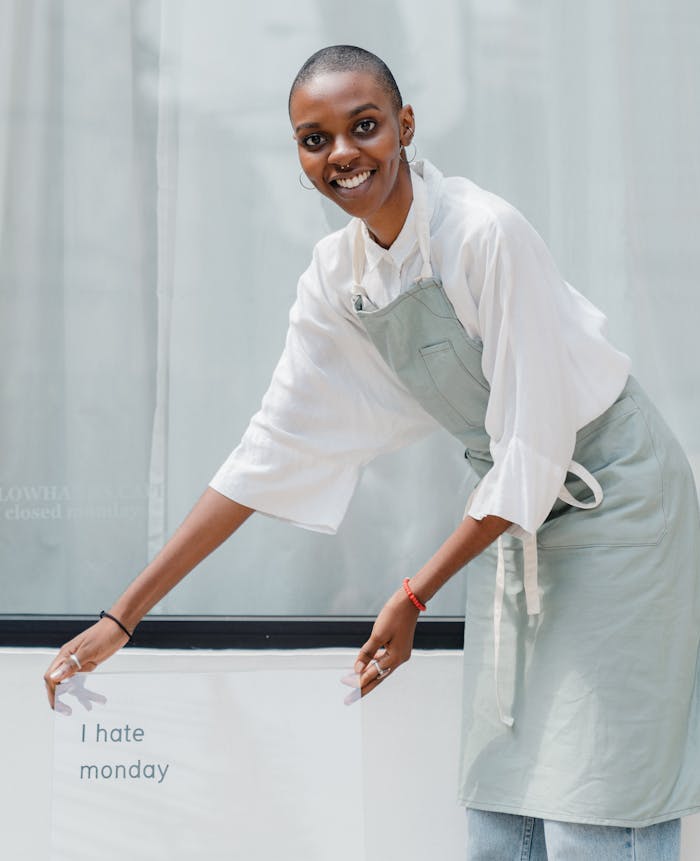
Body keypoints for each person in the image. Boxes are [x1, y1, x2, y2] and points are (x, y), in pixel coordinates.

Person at [44, 45, 700, 860]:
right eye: (315, 140)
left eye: (363, 127)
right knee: (507, 804)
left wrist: (413, 596)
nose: (343, 155)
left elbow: (535, 446)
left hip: (618, 503)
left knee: (594, 800)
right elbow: (267, 451)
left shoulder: (485, 234)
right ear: (298, 156)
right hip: (510, 518)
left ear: (405, 126)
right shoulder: (338, 279)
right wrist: (122, 616)